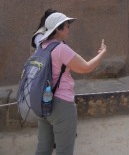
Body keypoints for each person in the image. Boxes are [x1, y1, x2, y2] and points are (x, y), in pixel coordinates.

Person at [35, 11, 107, 155]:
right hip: (61, 105)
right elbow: (86, 67)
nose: (69, 29)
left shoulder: (42, 45)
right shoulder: (61, 49)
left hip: (42, 102)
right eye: (67, 26)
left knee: (43, 149)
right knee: (64, 151)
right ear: (57, 29)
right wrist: (102, 53)